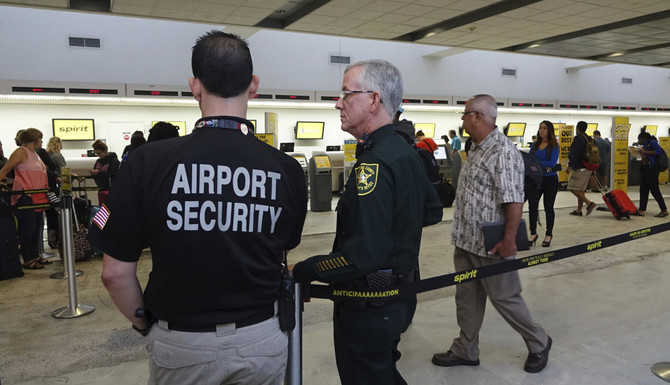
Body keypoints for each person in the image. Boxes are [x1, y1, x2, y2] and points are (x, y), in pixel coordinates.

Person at [91, 30, 308, 385]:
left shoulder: (148, 163)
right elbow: (283, 249)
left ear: (194, 86)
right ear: (253, 85)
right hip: (262, 339)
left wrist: (145, 324)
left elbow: (114, 274)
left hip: (181, 345)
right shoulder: (285, 169)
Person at [292, 59, 443, 385]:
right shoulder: (406, 152)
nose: (338, 103)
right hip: (400, 297)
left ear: (374, 100)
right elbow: (432, 212)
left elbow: (365, 255)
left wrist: (306, 270)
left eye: (346, 94)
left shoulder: (374, 164)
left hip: (368, 305)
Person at [431, 95, 551, 374]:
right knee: (467, 298)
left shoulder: (502, 152)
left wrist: (509, 239)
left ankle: (539, 342)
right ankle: (466, 349)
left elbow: (514, 200)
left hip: (491, 244)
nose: (462, 119)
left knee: (505, 297)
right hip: (465, 240)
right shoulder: (476, 148)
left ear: (478, 117)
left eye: (465, 114)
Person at [0, 128, 51, 269]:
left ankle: (35, 255)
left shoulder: (36, 154)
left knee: (37, 227)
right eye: (40, 138)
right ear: (33, 140)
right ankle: (28, 258)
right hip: (25, 195)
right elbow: (5, 168)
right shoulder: (20, 152)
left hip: (39, 195)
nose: (42, 141)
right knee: (27, 228)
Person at [527, 121, 560, 248]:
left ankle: (549, 233)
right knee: (532, 206)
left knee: (548, 207)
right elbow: (529, 161)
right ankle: (533, 233)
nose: (542, 130)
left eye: (545, 128)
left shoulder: (554, 146)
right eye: (540, 128)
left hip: (550, 180)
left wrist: (536, 163)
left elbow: (551, 163)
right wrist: (539, 163)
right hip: (535, 179)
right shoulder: (535, 145)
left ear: (549, 130)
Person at [634, 132, 668, 217]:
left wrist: (645, 152)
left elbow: (658, 152)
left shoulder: (652, 142)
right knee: (643, 189)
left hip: (652, 169)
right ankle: (641, 210)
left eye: (639, 139)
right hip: (645, 168)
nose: (638, 141)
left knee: (654, 190)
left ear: (643, 138)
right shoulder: (645, 145)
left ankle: (664, 210)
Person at [566, 121, 596, 216]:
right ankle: (579, 210)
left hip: (579, 167)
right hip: (588, 167)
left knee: (571, 187)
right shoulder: (590, 139)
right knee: (581, 190)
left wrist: (569, 166)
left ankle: (589, 203)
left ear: (577, 128)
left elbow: (574, 153)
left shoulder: (578, 138)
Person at [46, 136, 66, 249]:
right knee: (59, 213)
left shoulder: (46, 155)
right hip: (56, 187)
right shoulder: (58, 156)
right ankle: (59, 238)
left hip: (47, 188)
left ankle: (51, 239)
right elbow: (63, 171)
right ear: (58, 143)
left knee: (50, 214)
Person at [89, 140, 120, 205]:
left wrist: (98, 172)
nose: (98, 155)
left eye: (99, 153)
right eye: (96, 153)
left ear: (105, 150)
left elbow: (113, 175)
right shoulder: (98, 161)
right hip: (101, 189)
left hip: (111, 190)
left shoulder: (114, 161)